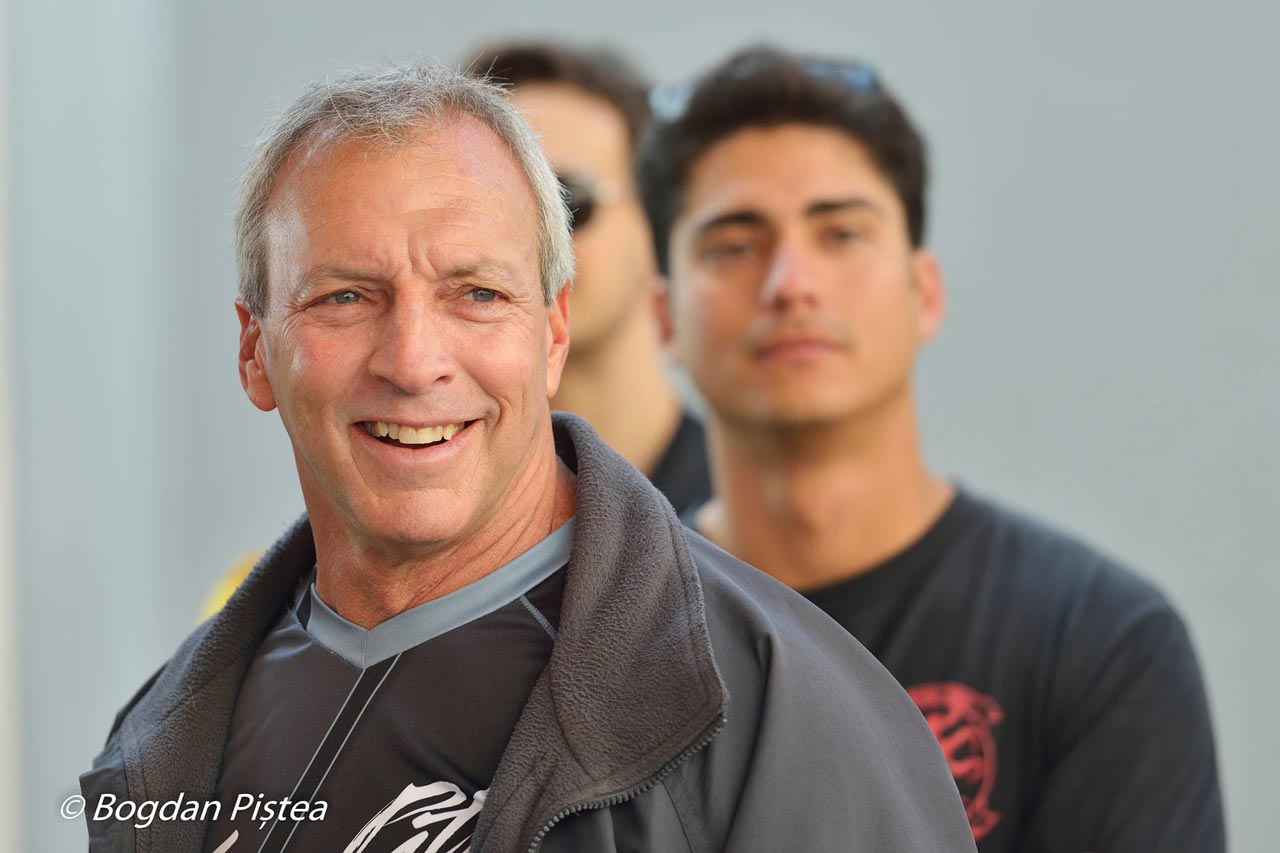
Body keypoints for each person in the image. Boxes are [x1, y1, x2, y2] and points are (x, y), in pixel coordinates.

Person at [79, 63, 976, 852]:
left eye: (476, 293)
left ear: (552, 336)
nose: (414, 360)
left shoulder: (784, 715)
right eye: (346, 297)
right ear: (254, 350)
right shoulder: (165, 735)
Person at [638, 45, 1225, 852]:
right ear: (663, 315)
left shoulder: (1098, 638)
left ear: (926, 292)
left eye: (841, 233)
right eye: (735, 245)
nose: (790, 283)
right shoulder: (603, 633)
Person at [468, 41, 711, 514]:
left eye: (567, 202)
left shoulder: (755, 527)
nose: (527, 248)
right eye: (487, 211)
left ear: (658, 225)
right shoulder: (422, 523)